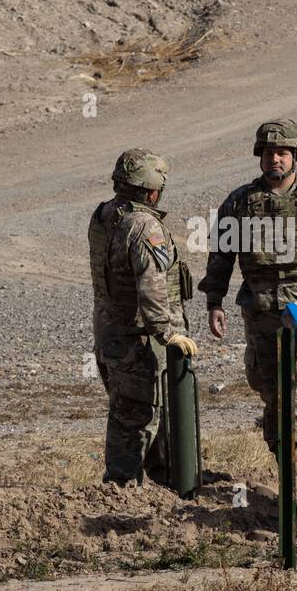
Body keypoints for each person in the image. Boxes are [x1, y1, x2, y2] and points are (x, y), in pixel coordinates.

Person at [199, 120, 297, 491]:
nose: (275, 158)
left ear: (295, 157)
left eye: (283, 153)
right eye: (269, 153)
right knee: (275, 393)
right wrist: (214, 302)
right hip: (263, 313)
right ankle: (286, 463)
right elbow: (221, 255)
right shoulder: (239, 202)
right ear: (260, 157)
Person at [89, 149, 197, 485]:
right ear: (152, 189)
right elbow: (151, 286)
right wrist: (167, 334)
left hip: (111, 336)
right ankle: (120, 490)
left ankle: (163, 481)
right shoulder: (144, 226)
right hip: (139, 341)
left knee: (138, 412)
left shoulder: (105, 215)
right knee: (135, 418)